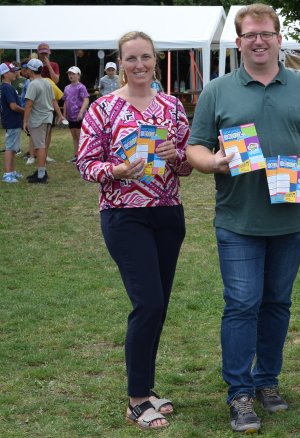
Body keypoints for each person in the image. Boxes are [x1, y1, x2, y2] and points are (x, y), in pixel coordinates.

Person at [185, 3, 300, 433]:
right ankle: (239, 393)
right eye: (249, 35)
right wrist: (212, 161)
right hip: (238, 219)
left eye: (265, 34)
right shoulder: (217, 90)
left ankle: (267, 381)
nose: (258, 41)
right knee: (241, 305)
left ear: (278, 38)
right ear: (238, 42)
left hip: (290, 218)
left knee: (276, 304)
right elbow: (194, 146)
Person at [76, 30, 191, 430]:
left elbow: (188, 164)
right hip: (124, 214)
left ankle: (147, 387)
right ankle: (137, 398)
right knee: (149, 304)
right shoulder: (103, 108)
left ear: (155, 60)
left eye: (145, 58)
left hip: (168, 213)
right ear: (119, 63)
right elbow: (86, 164)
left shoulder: (172, 106)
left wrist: (176, 155)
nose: (139, 65)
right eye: (131, 59)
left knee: (158, 306)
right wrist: (118, 170)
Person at [21, 58, 55, 183]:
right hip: (47, 117)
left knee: (39, 146)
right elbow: (52, 100)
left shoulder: (33, 84)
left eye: (27, 68)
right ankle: (41, 171)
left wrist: (25, 121)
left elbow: (28, 105)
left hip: (38, 119)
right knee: (42, 145)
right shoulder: (47, 82)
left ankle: (41, 175)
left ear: (31, 69)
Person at [1, 62, 25, 183]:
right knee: (10, 148)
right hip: (12, 120)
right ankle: (7, 174)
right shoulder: (8, 88)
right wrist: (25, 110)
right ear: (5, 74)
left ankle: (12, 171)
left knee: (14, 147)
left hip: (11, 120)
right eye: (12, 71)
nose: (15, 72)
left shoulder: (4, 87)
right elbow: (13, 106)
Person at [63, 66, 89, 163]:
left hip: (79, 116)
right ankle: (76, 155)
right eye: (69, 74)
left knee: (80, 136)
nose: (71, 75)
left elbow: (86, 99)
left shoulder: (81, 87)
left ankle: (82, 156)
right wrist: (64, 114)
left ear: (78, 75)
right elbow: (65, 101)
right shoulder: (66, 88)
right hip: (71, 117)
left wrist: (81, 112)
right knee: (74, 136)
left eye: (73, 74)